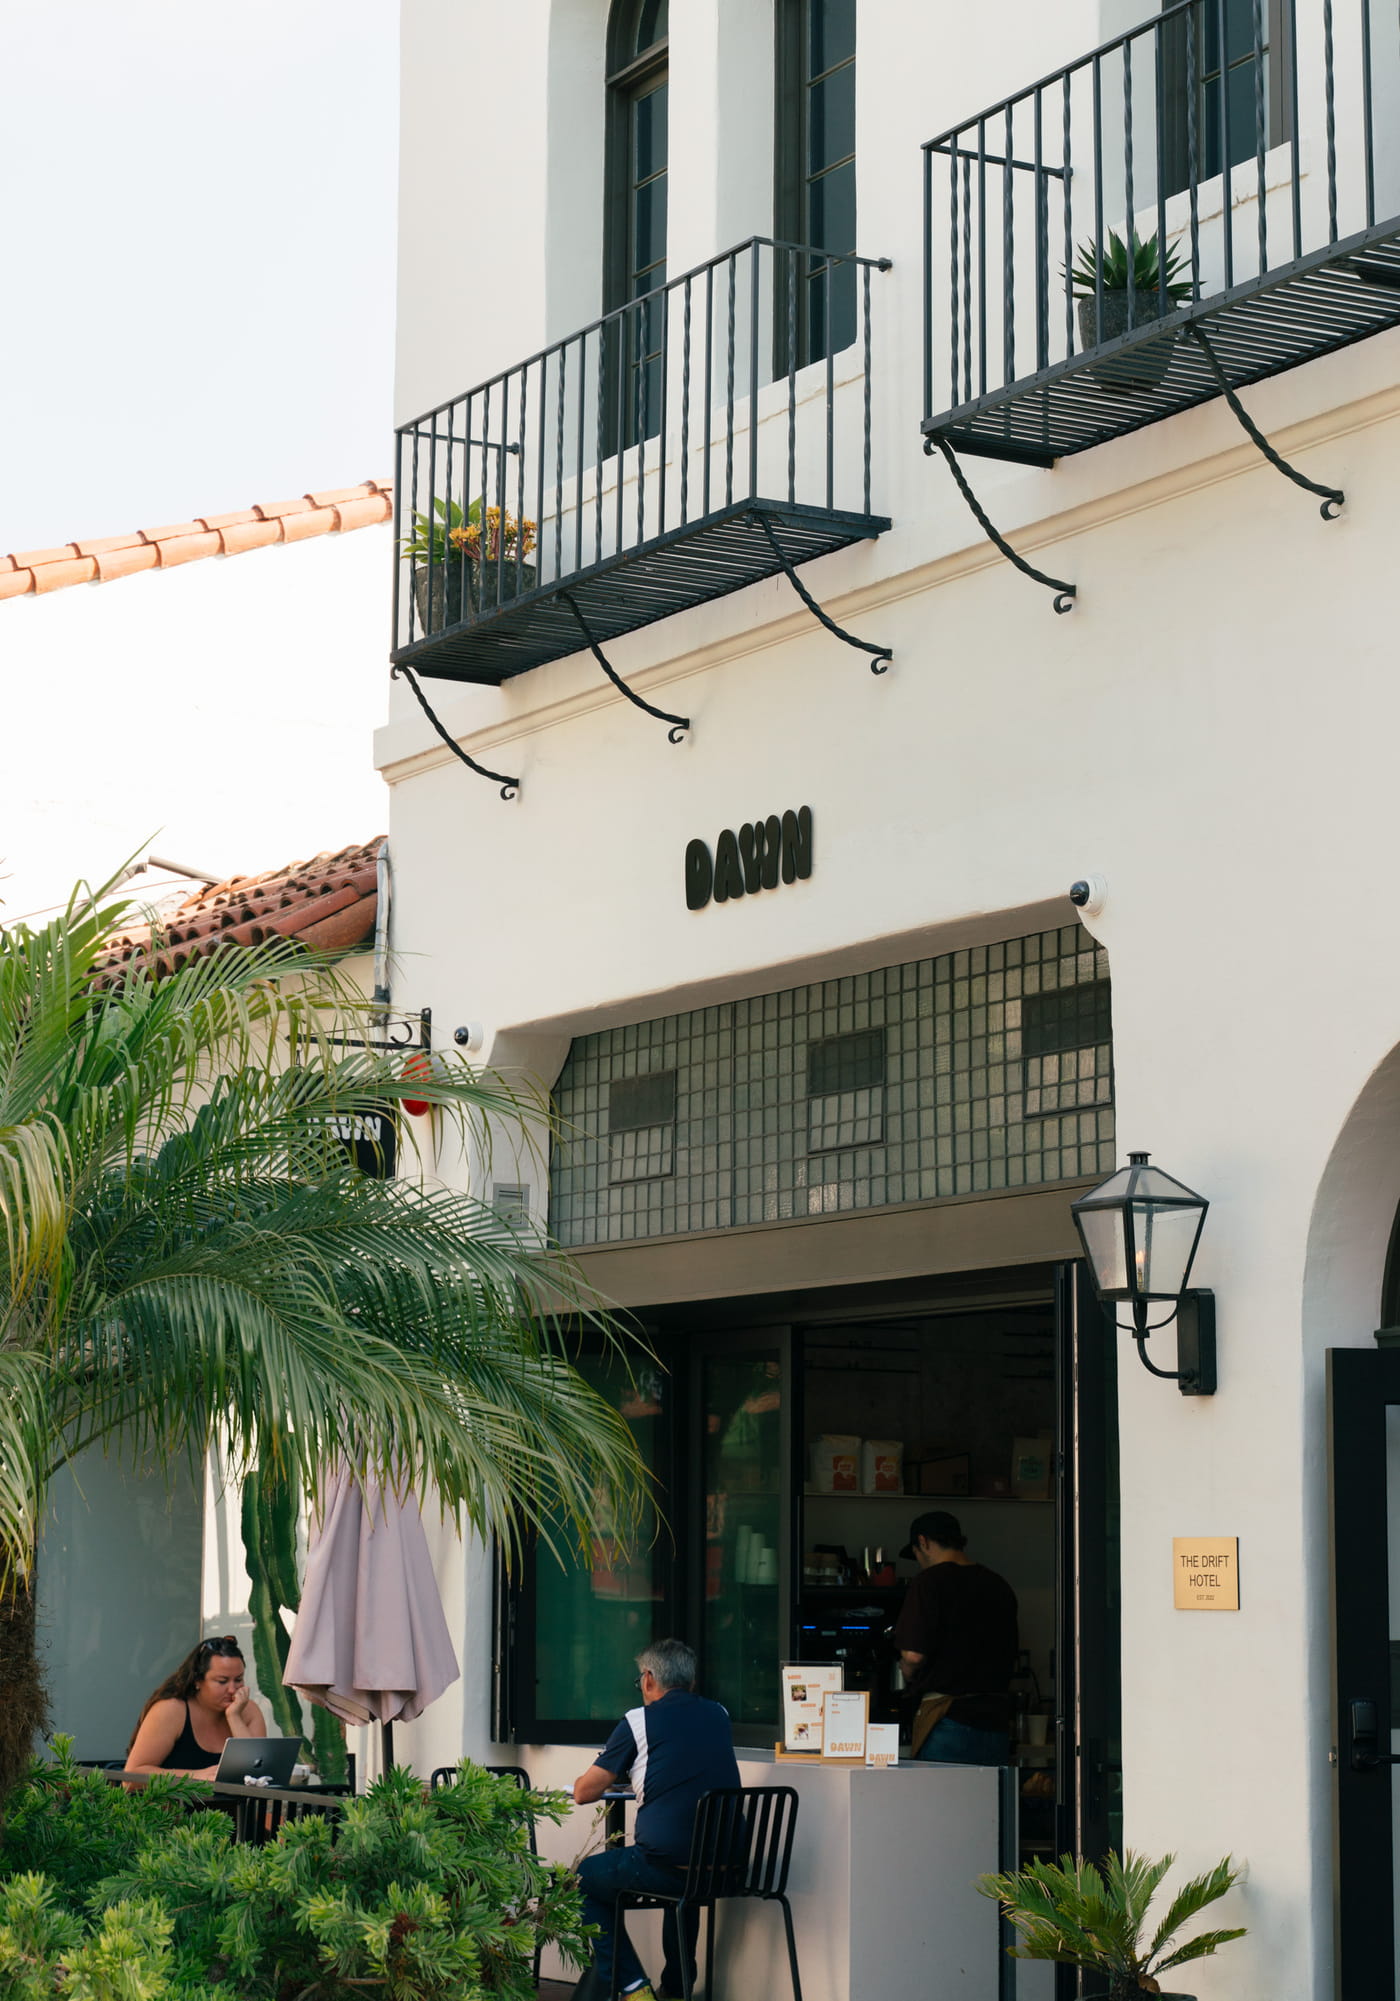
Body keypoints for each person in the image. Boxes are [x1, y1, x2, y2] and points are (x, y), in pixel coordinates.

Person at [571, 1638, 739, 2001]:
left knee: (584, 1878)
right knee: (684, 1884)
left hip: (667, 1866)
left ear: (648, 1679)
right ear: (690, 1683)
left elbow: (585, 1792)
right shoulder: (719, 1714)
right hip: (727, 1867)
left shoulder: (639, 1720)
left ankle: (633, 1988)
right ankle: (677, 1989)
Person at [892, 1509, 1018, 1766]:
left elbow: (913, 1654)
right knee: (986, 1805)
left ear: (923, 1542)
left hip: (948, 1720)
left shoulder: (928, 1582)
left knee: (941, 1804)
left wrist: (905, 1669)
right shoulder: (998, 1584)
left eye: (916, 1553)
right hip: (996, 1723)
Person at [126, 1635, 267, 1777]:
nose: (232, 1689)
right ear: (197, 1681)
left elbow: (259, 1775)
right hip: (175, 1799)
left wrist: (234, 1717)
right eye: (222, 1681)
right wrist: (195, 1777)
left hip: (234, 1800)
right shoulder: (172, 1710)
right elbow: (132, 1777)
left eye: (238, 1680)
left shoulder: (248, 1711)